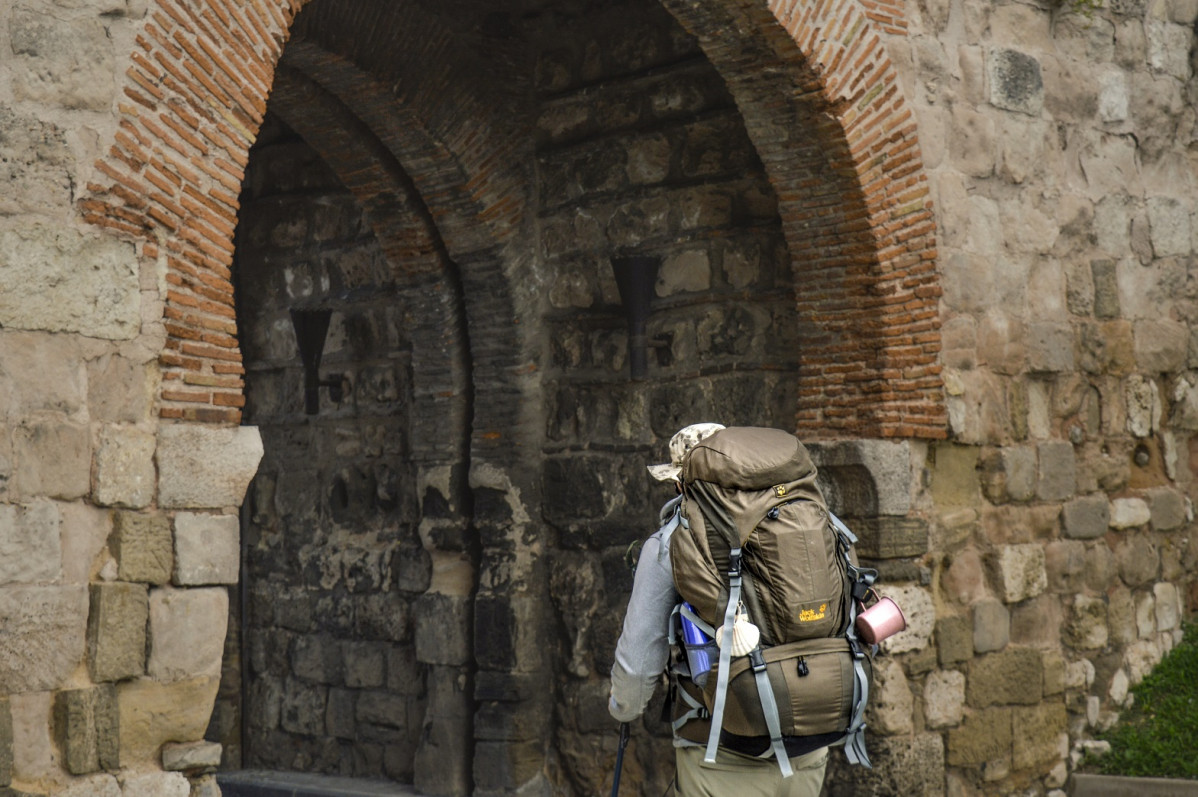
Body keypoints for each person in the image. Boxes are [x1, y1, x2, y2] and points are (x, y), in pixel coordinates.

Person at [608, 423, 829, 797]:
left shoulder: (672, 541)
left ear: (682, 483)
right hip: (812, 741)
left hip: (723, 753)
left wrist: (624, 709)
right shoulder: (808, 523)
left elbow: (638, 660)